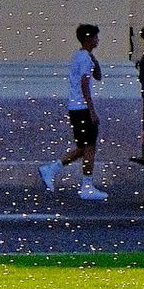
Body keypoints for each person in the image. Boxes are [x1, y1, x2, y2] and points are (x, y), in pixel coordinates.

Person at [39, 23, 109, 202]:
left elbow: (98, 76)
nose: (98, 40)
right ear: (88, 39)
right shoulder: (84, 58)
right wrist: (92, 110)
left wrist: (95, 59)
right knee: (90, 147)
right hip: (82, 108)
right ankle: (86, 185)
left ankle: (51, 169)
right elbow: (85, 84)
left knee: (83, 148)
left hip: (75, 107)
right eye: (95, 37)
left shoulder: (81, 56)